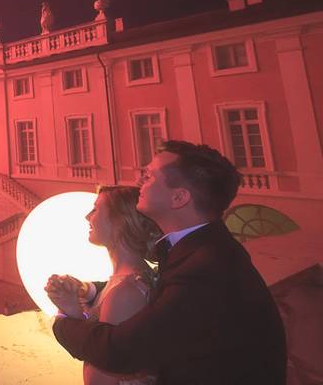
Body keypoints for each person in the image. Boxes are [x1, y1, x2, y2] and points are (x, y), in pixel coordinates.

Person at [48, 141, 287, 385]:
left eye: (149, 176)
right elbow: (159, 289)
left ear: (179, 197)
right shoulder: (204, 247)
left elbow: (120, 351)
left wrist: (64, 319)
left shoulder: (205, 268)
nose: (140, 181)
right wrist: (89, 289)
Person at [49, 186, 161, 384]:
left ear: (119, 222)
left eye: (95, 209)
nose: (87, 216)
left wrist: (71, 312)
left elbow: (98, 379)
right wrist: (82, 292)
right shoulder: (133, 278)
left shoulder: (125, 293)